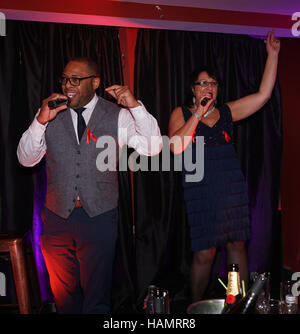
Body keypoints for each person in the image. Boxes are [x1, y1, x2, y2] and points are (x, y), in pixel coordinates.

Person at [17, 56, 162, 313]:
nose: (67, 85)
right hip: (56, 218)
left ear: (95, 82)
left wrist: (135, 107)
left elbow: (152, 147)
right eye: (64, 79)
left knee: (97, 296)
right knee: (63, 297)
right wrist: (40, 121)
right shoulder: (50, 112)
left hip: (99, 216)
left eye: (76, 79)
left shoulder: (117, 114)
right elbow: (26, 160)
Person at [168, 31, 280, 302]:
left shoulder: (227, 112)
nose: (209, 87)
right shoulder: (181, 113)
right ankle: (195, 307)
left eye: (213, 83)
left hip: (231, 187)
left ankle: (237, 303)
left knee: (236, 244)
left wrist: (272, 55)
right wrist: (197, 113)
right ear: (193, 89)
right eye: (203, 83)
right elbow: (175, 147)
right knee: (205, 252)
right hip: (201, 187)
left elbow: (263, 96)